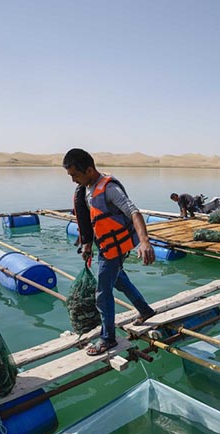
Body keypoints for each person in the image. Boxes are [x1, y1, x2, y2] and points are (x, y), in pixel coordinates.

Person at [64, 148, 156, 356]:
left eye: (75, 175)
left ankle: (108, 338)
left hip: (115, 249)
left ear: (88, 170)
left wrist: (144, 241)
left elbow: (134, 212)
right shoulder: (86, 189)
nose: (73, 180)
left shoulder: (109, 188)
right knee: (119, 280)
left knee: (102, 293)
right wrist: (87, 244)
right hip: (106, 246)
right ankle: (145, 310)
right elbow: (90, 220)